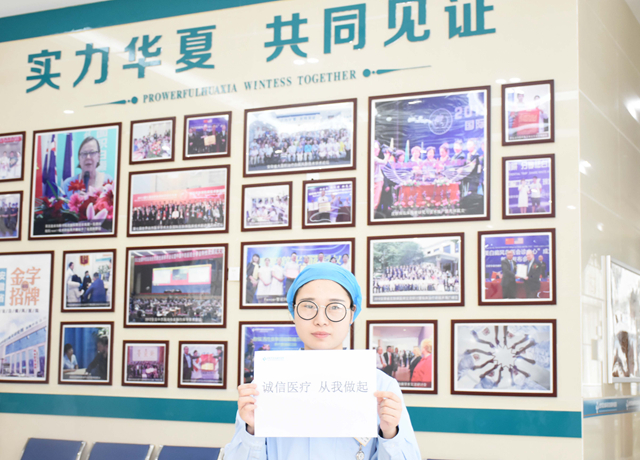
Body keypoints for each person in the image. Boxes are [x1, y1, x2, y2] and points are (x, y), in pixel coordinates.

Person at [225, 263, 421, 459]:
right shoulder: (264, 386)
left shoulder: (382, 387)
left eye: (335, 307)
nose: (321, 320)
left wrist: (390, 434)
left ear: (351, 314)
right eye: (308, 306)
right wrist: (252, 431)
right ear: (293, 312)